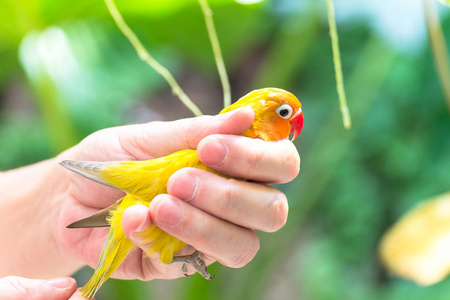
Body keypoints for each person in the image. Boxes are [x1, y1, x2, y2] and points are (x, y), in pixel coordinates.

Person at [0, 107, 300, 299]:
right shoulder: (207, 152)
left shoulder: (226, 155)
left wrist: (59, 196)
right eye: (284, 113)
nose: (292, 122)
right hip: (136, 208)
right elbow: (141, 177)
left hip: (138, 216)